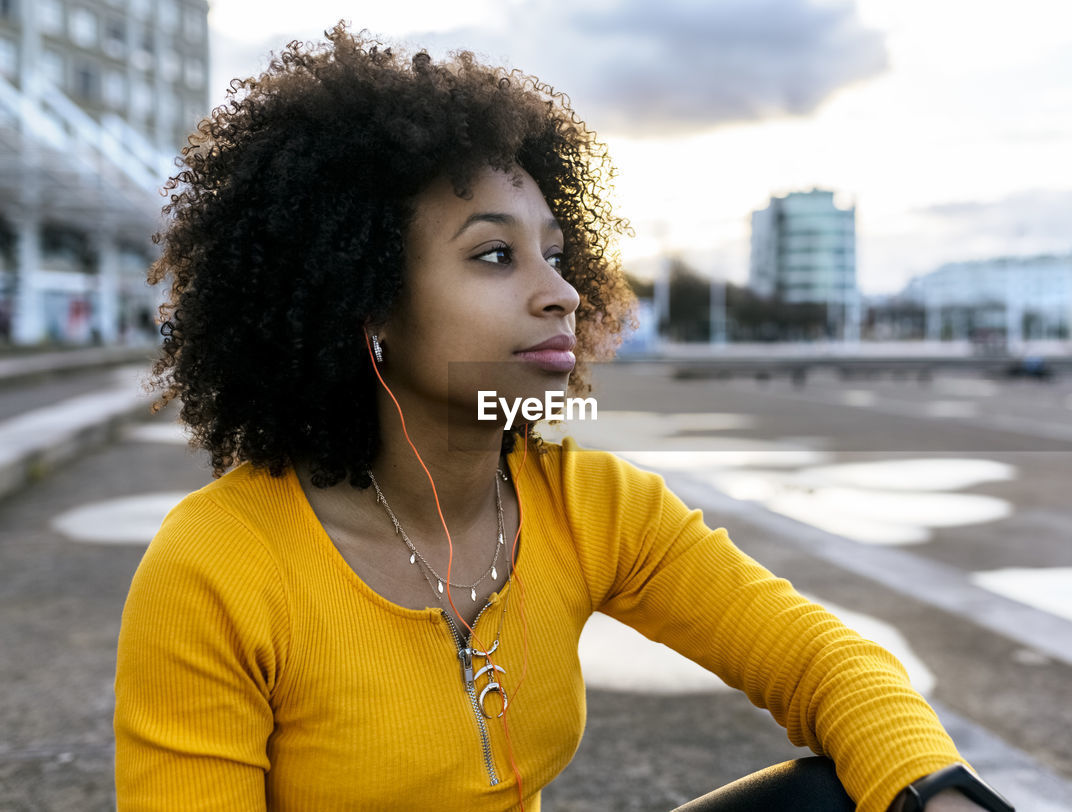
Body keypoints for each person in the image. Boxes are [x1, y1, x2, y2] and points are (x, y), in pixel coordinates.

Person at [113, 24, 1012, 812]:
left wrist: (933, 793)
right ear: (367, 304)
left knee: (856, 794)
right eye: (496, 255)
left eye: (557, 252)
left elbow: (827, 661)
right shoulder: (216, 569)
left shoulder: (588, 504)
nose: (563, 294)